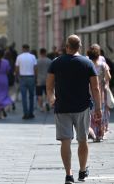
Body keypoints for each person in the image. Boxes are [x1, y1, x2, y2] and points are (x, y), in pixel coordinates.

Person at [46, 34, 102, 184]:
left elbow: (49, 86)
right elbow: (95, 88)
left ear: (66, 46)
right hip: (82, 107)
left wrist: (51, 98)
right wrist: (98, 107)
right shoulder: (87, 63)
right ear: (80, 47)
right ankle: (82, 171)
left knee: (65, 141)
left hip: (62, 107)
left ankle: (68, 174)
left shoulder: (56, 63)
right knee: (83, 140)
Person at [87, 44, 111, 142]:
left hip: (89, 91)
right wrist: (104, 82)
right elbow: (108, 77)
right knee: (101, 111)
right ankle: (100, 134)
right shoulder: (103, 64)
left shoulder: (87, 64)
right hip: (100, 91)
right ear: (99, 54)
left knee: (91, 112)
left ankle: (92, 132)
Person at [15, 44, 37, 119]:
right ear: (28, 48)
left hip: (22, 77)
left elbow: (17, 68)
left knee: (24, 97)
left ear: (22, 49)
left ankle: (25, 113)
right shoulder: (33, 56)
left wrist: (17, 77)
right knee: (31, 96)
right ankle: (31, 113)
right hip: (31, 77)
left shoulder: (19, 57)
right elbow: (35, 68)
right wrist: (35, 78)